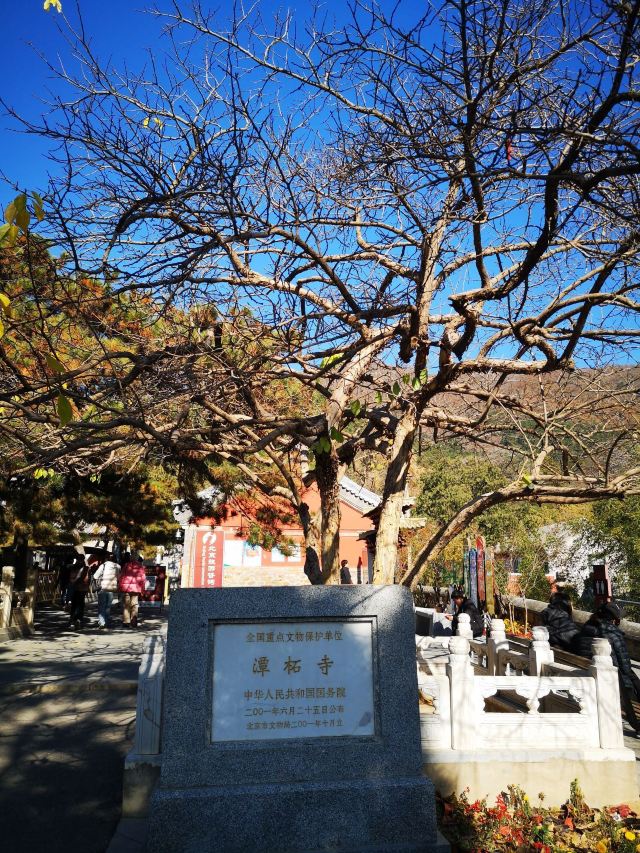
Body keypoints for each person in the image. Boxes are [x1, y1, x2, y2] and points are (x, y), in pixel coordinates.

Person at [573, 601, 639, 730]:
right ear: (612, 619)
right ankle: (637, 724)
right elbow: (624, 665)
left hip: (588, 673)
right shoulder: (611, 633)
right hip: (612, 679)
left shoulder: (587, 628)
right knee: (632, 680)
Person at [68, 555, 97, 630]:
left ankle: (74, 621)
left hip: (77, 588)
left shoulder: (75, 568)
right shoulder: (86, 568)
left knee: (75, 605)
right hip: (82, 588)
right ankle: (78, 620)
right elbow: (89, 579)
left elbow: (71, 579)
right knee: (79, 605)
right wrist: (87, 588)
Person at [118, 553, 146, 628]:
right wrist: (143, 589)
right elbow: (143, 579)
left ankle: (126, 622)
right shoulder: (140, 566)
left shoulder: (126, 565)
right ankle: (133, 622)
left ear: (130, 558)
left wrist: (120, 586)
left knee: (126, 605)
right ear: (137, 558)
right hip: (136, 588)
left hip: (126, 588)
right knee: (134, 605)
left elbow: (121, 576)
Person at [93, 554, 120, 629]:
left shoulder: (103, 565)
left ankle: (102, 622)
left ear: (107, 558)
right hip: (111, 588)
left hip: (103, 588)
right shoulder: (118, 566)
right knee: (108, 607)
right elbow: (119, 578)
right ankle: (106, 621)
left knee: (101, 606)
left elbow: (95, 576)